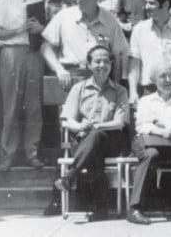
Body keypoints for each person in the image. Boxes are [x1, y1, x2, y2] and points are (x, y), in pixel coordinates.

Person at [54, 45, 129, 222]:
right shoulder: (78, 89)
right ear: (89, 65)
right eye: (97, 61)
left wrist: (97, 126)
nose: (102, 65)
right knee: (93, 147)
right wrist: (80, 126)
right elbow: (67, 120)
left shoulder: (120, 91)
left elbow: (119, 123)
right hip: (83, 141)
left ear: (111, 64)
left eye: (106, 61)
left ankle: (70, 176)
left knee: (96, 136)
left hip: (111, 141)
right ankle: (101, 209)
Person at [0, 0, 46, 171]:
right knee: (10, 104)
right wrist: (20, 29)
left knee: (33, 107)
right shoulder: (4, 1)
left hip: (33, 54)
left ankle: (32, 152)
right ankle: (9, 153)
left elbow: (46, 33)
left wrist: (40, 29)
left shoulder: (39, 2)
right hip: (11, 53)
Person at [126, 60, 171, 225]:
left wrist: (157, 121)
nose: (167, 80)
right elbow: (142, 125)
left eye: (170, 76)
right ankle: (135, 209)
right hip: (148, 142)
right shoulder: (145, 101)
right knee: (151, 154)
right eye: (162, 76)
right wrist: (162, 130)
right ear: (153, 80)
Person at [41, 0, 129, 91]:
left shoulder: (110, 20)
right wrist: (59, 69)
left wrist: (115, 89)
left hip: (100, 80)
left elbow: (118, 55)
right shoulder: (63, 16)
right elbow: (45, 47)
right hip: (69, 79)